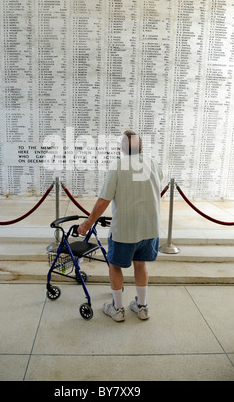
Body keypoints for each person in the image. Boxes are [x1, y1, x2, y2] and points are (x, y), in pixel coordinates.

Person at [78, 130, 163, 322]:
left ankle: (117, 309)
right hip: (150, 228)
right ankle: (142, 307)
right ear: (141, 147)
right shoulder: (154, 164)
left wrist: (87, 223)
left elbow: (103, 200)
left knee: (115, 265)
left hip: (125, 229)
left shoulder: (118, 166)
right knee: (140, 264)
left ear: (122, 149)